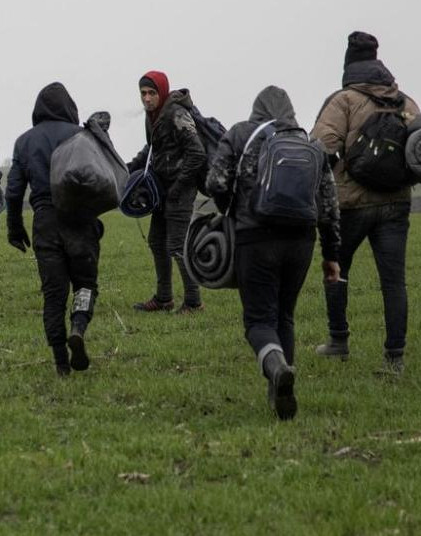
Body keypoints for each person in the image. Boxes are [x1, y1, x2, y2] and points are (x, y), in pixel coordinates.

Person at [206, 86, 341, 419]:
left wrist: (231, 213)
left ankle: (277, 368)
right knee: (285, 316)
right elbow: (329, 206)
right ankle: (278, 392)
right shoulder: (312, 145)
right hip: (301, 242)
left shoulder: (240, 134)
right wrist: (331, 254)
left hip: (256, 238)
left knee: (258, 320)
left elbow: (215, 182)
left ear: (257, 110)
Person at [311, 31, 421, 374]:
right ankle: (395, 357)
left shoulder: (343, 101)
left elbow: (321, 147)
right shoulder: (405, 102)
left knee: (334, 270)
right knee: (393, 281)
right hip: (396, 204)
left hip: (351, 204)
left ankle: (338, 340)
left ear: (349, 66)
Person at [6, 82, 102, 376]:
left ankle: (61, 362)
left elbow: (13, 191)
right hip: (80, 220)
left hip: (45, 222)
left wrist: (15, 226)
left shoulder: (25, 141)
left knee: (53, 295)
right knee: (85, 284)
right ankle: (79, 327)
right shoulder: (82, 136)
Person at [128, 70, 207, 314]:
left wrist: (178, 186)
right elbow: (153, 149)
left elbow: (197, 152)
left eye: (152, 93)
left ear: (161, 92)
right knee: (156, 241)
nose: (147, 98)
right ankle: (164, 299)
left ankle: (194, 302)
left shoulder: (176, 113)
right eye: (143, 93)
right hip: (162, 189)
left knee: (176, 244)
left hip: (180, 189)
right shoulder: (152, 116)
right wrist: (128, 168)